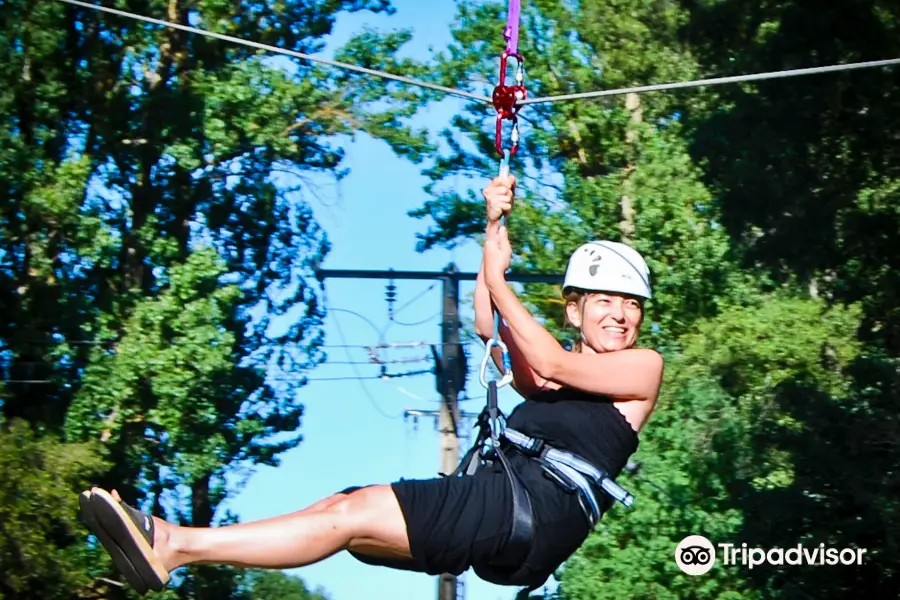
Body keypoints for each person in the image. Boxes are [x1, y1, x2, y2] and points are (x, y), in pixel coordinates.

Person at [78, 175, 664, 596]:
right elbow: (493, 328)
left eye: (629, 305)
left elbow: (549, 362)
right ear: (574, 312)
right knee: (346, 519)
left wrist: (495, 277)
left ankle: (176, 544)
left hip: (530, 509)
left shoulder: (641, 368)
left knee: (352, 512)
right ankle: (177, 549)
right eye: (603, 301)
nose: (618, 315)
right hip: (515, 522)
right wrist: (492, 229)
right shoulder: (553, 373)